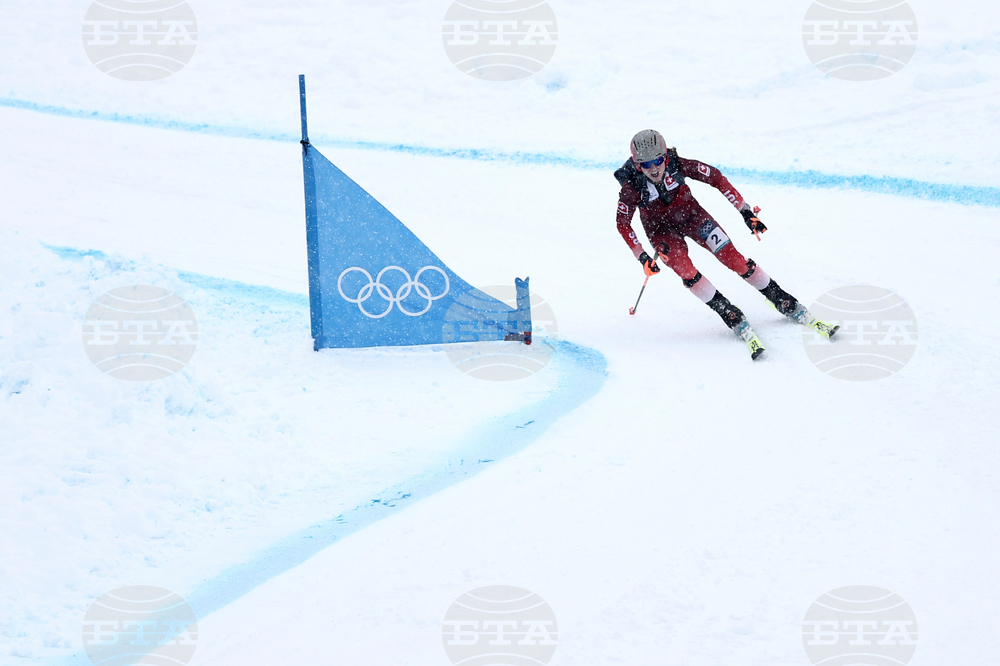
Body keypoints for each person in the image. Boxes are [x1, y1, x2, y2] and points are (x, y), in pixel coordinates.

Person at [615, 129, 837, 359]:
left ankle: (780, 298)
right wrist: (641, 256)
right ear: (636, 164)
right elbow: (622, 222)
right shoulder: (631, 187)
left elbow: (716, 178)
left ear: (666, 157)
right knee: (686, 270)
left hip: (693, 217)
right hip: (661, 232)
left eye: (658, 161)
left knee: (734, 260)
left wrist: (745, 211)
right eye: (645, 164)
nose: (653, 169)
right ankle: (728, 312)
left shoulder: (679, 165)